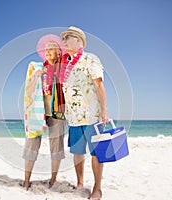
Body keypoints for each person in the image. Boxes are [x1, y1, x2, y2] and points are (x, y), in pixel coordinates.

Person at [60, 26, 110, 200]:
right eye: (63, 37)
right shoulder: (65, 65)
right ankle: (80, 182)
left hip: (91, 115)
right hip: (73, 117)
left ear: (79, 41)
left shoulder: (91, 59)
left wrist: (104, 111)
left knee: (96, 152)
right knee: (77, 151)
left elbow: (99, 85)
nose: (64, 40)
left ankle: (97, 188)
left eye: (67, 37)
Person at [22, 34, 66, 190]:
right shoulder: (38, 67)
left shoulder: (64, 69)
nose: (47, 52)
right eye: (46, 50)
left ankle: (53, 179)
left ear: (58, 52)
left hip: (58, 112)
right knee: (31, 144)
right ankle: (26, 180)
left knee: (56, 146)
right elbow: (29, 90)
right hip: (38, 113)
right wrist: (35, 76)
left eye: (51, 49)